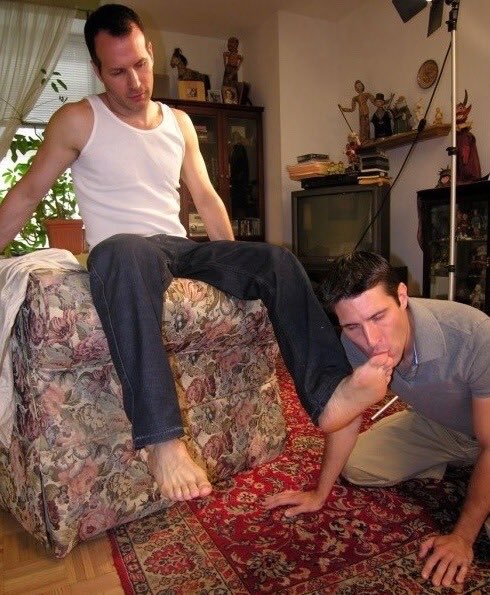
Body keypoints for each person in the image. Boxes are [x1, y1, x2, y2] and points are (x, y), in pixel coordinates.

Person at [0, 5, 394, 504]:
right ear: (98, 71)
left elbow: (206, 197)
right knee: (124, 253)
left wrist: (233, 261)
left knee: (275, 260)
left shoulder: (179, 123)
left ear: (150, 52)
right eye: (118, 72)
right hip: (123, 251)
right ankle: (162, 441)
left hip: (180, 249)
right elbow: (28, 193)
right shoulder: (79, 119)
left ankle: (329, 392)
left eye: (141, 64)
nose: (135, 82)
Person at [265, 251, 490, 589]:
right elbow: (349, 414)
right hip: (443, 427)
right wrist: (319, 493)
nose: (370, 341)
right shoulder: (352, 342)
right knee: (356, 466)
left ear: (402, 296)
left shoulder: (474, 335)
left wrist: (462, 537)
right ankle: (464, 465)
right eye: (353, 326)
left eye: (378, 316)